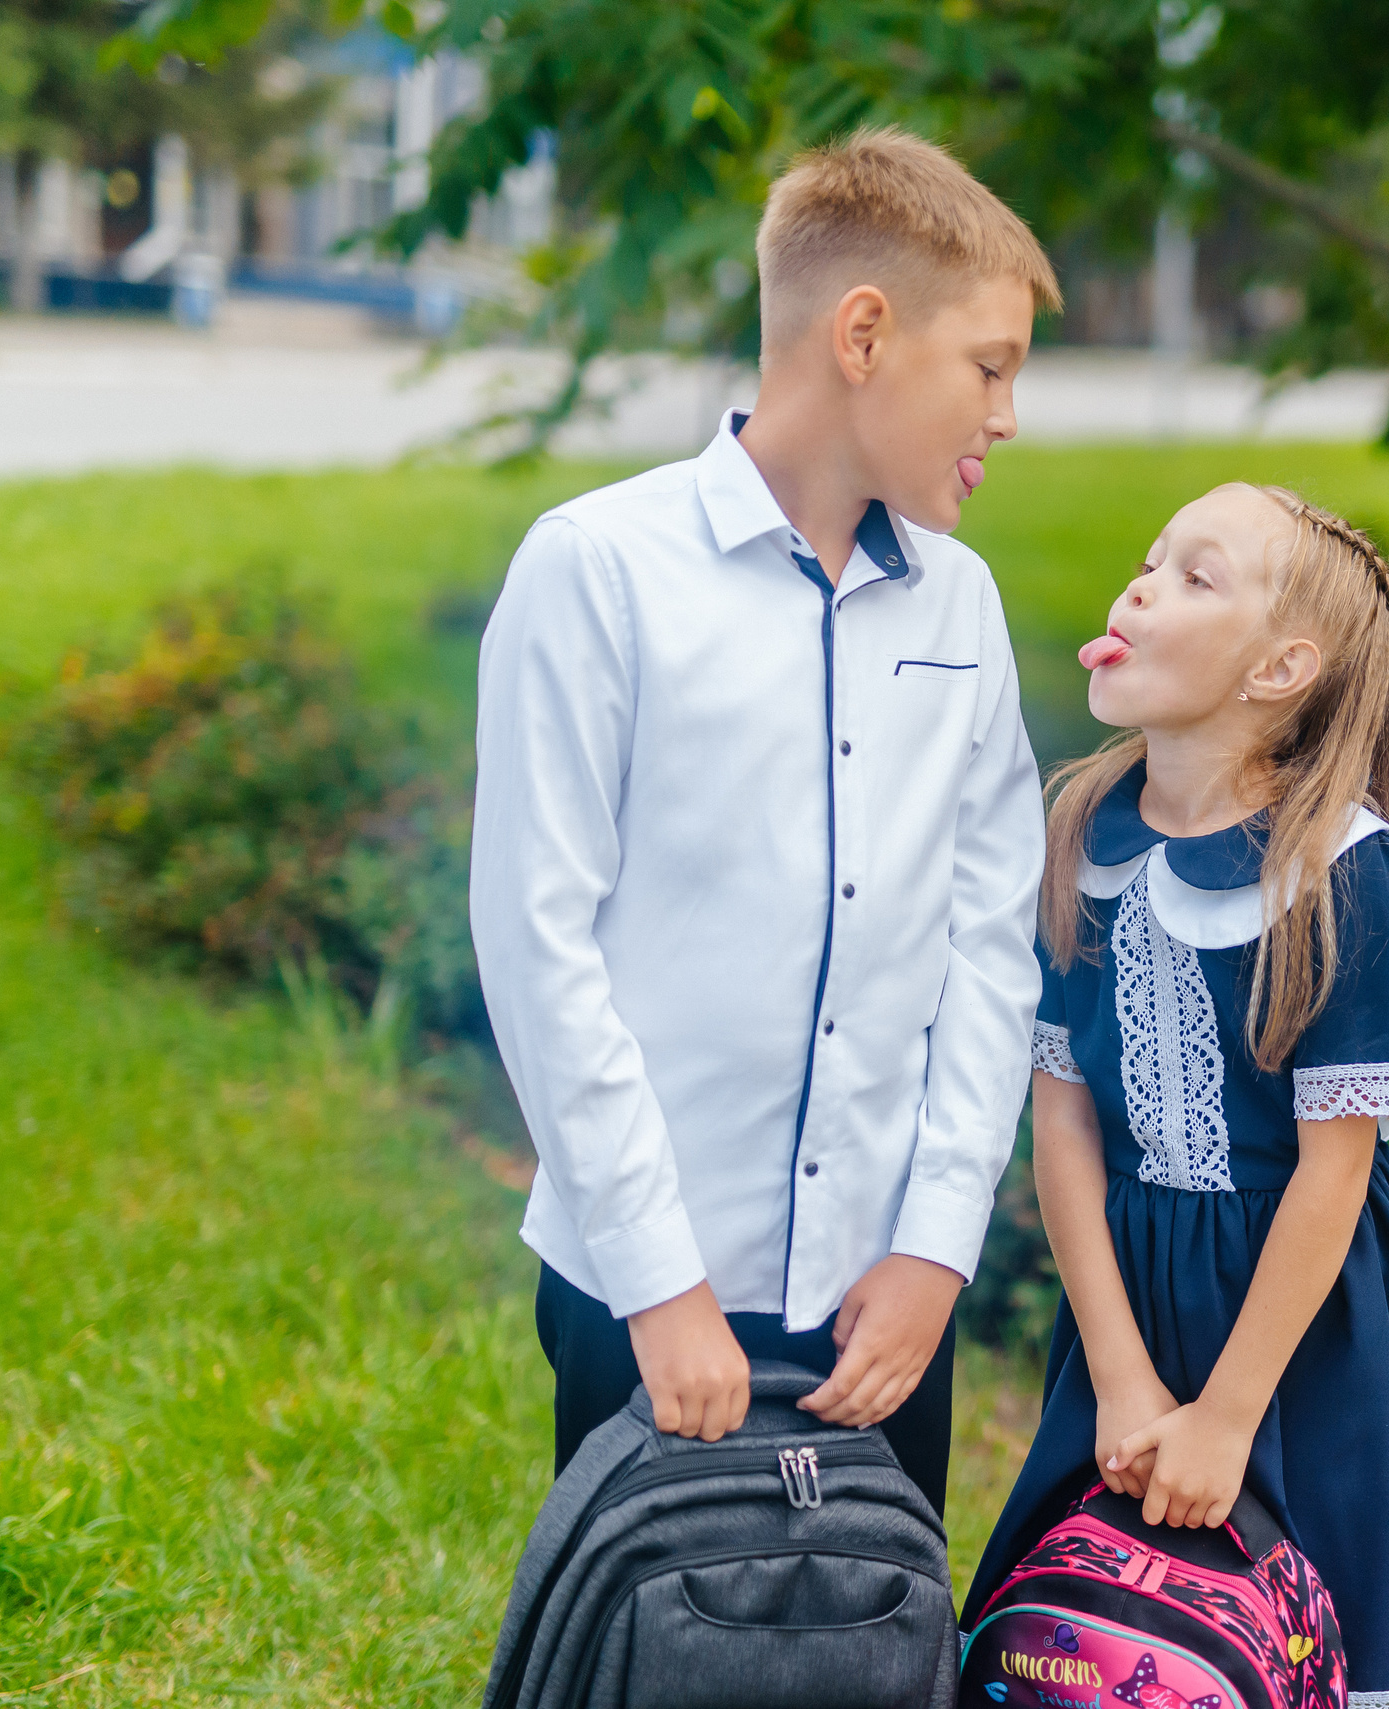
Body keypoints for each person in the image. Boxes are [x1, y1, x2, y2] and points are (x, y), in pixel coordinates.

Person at [469, 127, 1059, 1505]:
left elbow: (989, 945)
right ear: (864, 333)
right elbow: (538, 939)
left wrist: (936, 1249)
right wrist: (658, 1280)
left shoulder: (961, 606)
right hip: (653, 1279)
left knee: (869, 1634)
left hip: (880, 1295)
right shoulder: (598, 571)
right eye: (989, 367)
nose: (1008, 415)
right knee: (656, 1635)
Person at [960, 485, 1389, 1706]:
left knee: (1299, 1633)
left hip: (1299, 1329)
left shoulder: (1340, 867)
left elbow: (1335, 1166)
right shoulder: (1081, 828)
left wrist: (1225, 1413)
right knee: (1099, 1628)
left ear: (1281, 667)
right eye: (1148, 560)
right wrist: (1120, 1372)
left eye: (1195, 575)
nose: (1139, 587)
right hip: (1131, 1299)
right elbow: (1062, 1119)